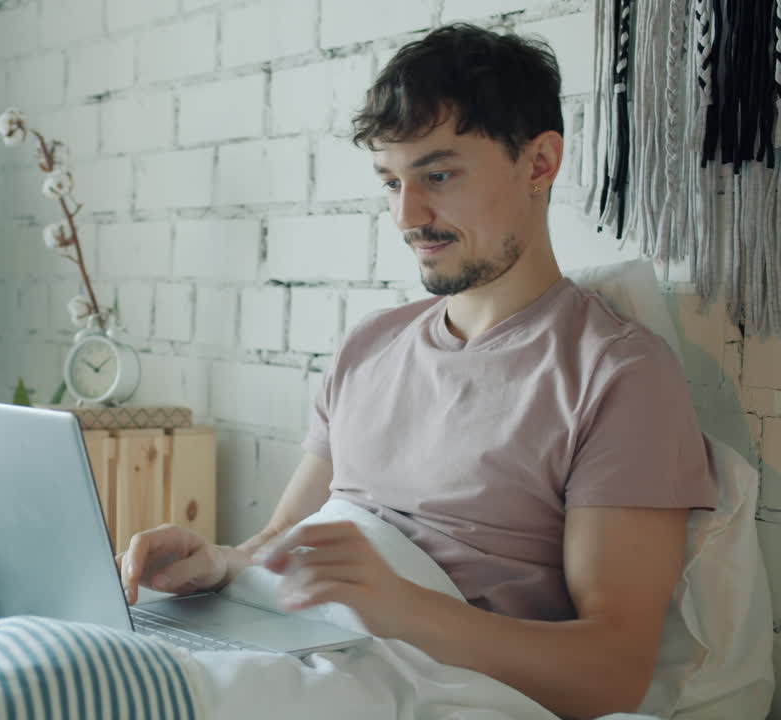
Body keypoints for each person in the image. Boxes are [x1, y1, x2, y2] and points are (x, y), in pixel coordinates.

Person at [116, 23, 715, 720]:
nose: (408, 215)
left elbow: (612, 675)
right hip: (288, 642)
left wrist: (400, 607)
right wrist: (218, 563)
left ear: (540, 163)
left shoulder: (617, 376)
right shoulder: (368, 348)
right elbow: (279, 544)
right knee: (34, 653)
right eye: (391, 181)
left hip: (398, 678)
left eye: (438, 175)